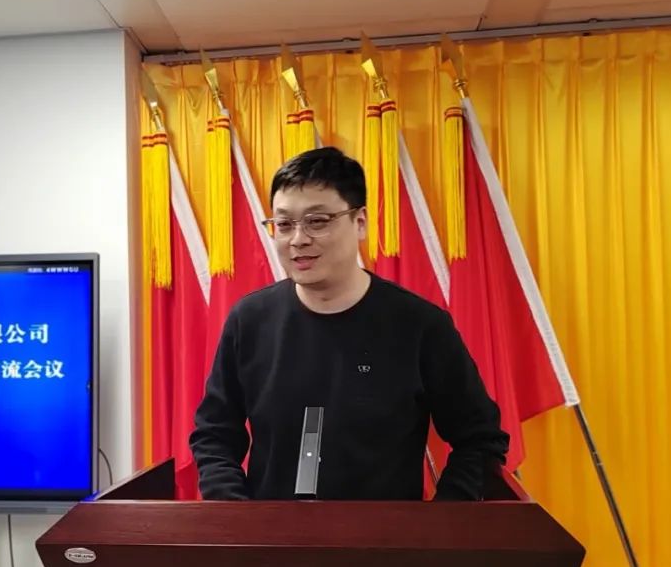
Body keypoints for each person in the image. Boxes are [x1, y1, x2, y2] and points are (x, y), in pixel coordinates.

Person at [190, 146, 509, 501]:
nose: (298, 239)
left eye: (317, 221)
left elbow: (480, 439)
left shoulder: (420, 326)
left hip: (384, 535)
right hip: (270, 534)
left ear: (360, 222)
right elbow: (214, 435)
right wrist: (236, 517)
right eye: (284, 224)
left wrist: (440, 522)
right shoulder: (249, 321)